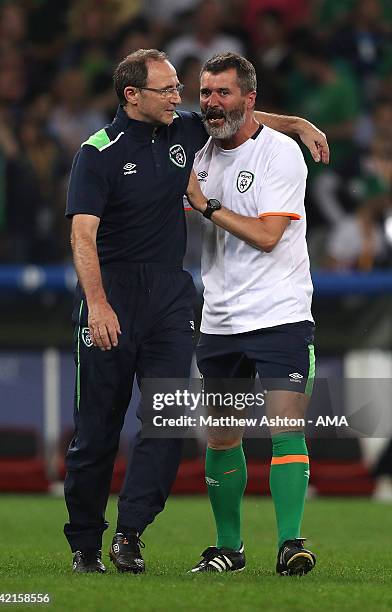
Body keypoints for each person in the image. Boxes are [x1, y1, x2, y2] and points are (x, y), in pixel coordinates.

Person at [64, 48, 328, 574]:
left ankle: (135, 534)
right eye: (172, 91)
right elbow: (81, 233)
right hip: (142, 302)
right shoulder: (102, 152)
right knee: (100, 430)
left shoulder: (196, 137)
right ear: (132, 95)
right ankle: (91, 542)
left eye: (184, 91)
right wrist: (97, 302)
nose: (184, 99)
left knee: (170, 423)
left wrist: (296, 123)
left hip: (196, 301)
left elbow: (238, 121)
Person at [185, 52, 316, 576]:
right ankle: (230, 550)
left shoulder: (281, 154)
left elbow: (267, 236)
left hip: (280, 313)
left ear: (249, 98)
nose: (213, 104)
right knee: (221, 437)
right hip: (219, 320)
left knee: (286, 429)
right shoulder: (197, 157)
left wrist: (207, 206)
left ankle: (290, 544)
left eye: (224, 93)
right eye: (206, 94)